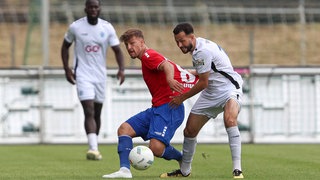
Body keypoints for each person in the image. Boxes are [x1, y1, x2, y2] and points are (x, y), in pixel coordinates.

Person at [102, 28, 198, 179]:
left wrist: (170, 80)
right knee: (124, 129)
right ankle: (125, 171)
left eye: (132, 43)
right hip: (157, 108)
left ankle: (182, 158)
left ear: (142, 42)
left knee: (156, 148)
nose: (129, 48)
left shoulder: (148, 55)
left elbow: (166, 65)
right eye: (126, 45)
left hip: (170, 107)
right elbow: (172, 66)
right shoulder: (147, 57)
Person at [160, 22, 244, 179]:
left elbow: (203, 82)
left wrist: (181, 98)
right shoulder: (199, 47)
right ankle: (184, 171)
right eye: (177, 42)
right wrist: (192, 72)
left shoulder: (201, 51)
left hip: (229, 89)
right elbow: (209, 71)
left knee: (230, 120)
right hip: (211, 92)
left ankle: (237, 170)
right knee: (189, 131)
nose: (179, 45)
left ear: (192, 37)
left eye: (182, 41)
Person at [61, 0, 125, 160]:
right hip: (82, 74)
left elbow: (117, 50)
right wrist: (67, 69)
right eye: (90, 7)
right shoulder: (76, 27)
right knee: (88, 110)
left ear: (99, 8)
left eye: (96, 7)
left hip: (100, 76)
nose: (93, 9)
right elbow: (64, 47)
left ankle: (94, 145)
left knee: (97, 112)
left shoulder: (107, 27)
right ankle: (93, 148)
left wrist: (121, 69)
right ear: (86, 9)